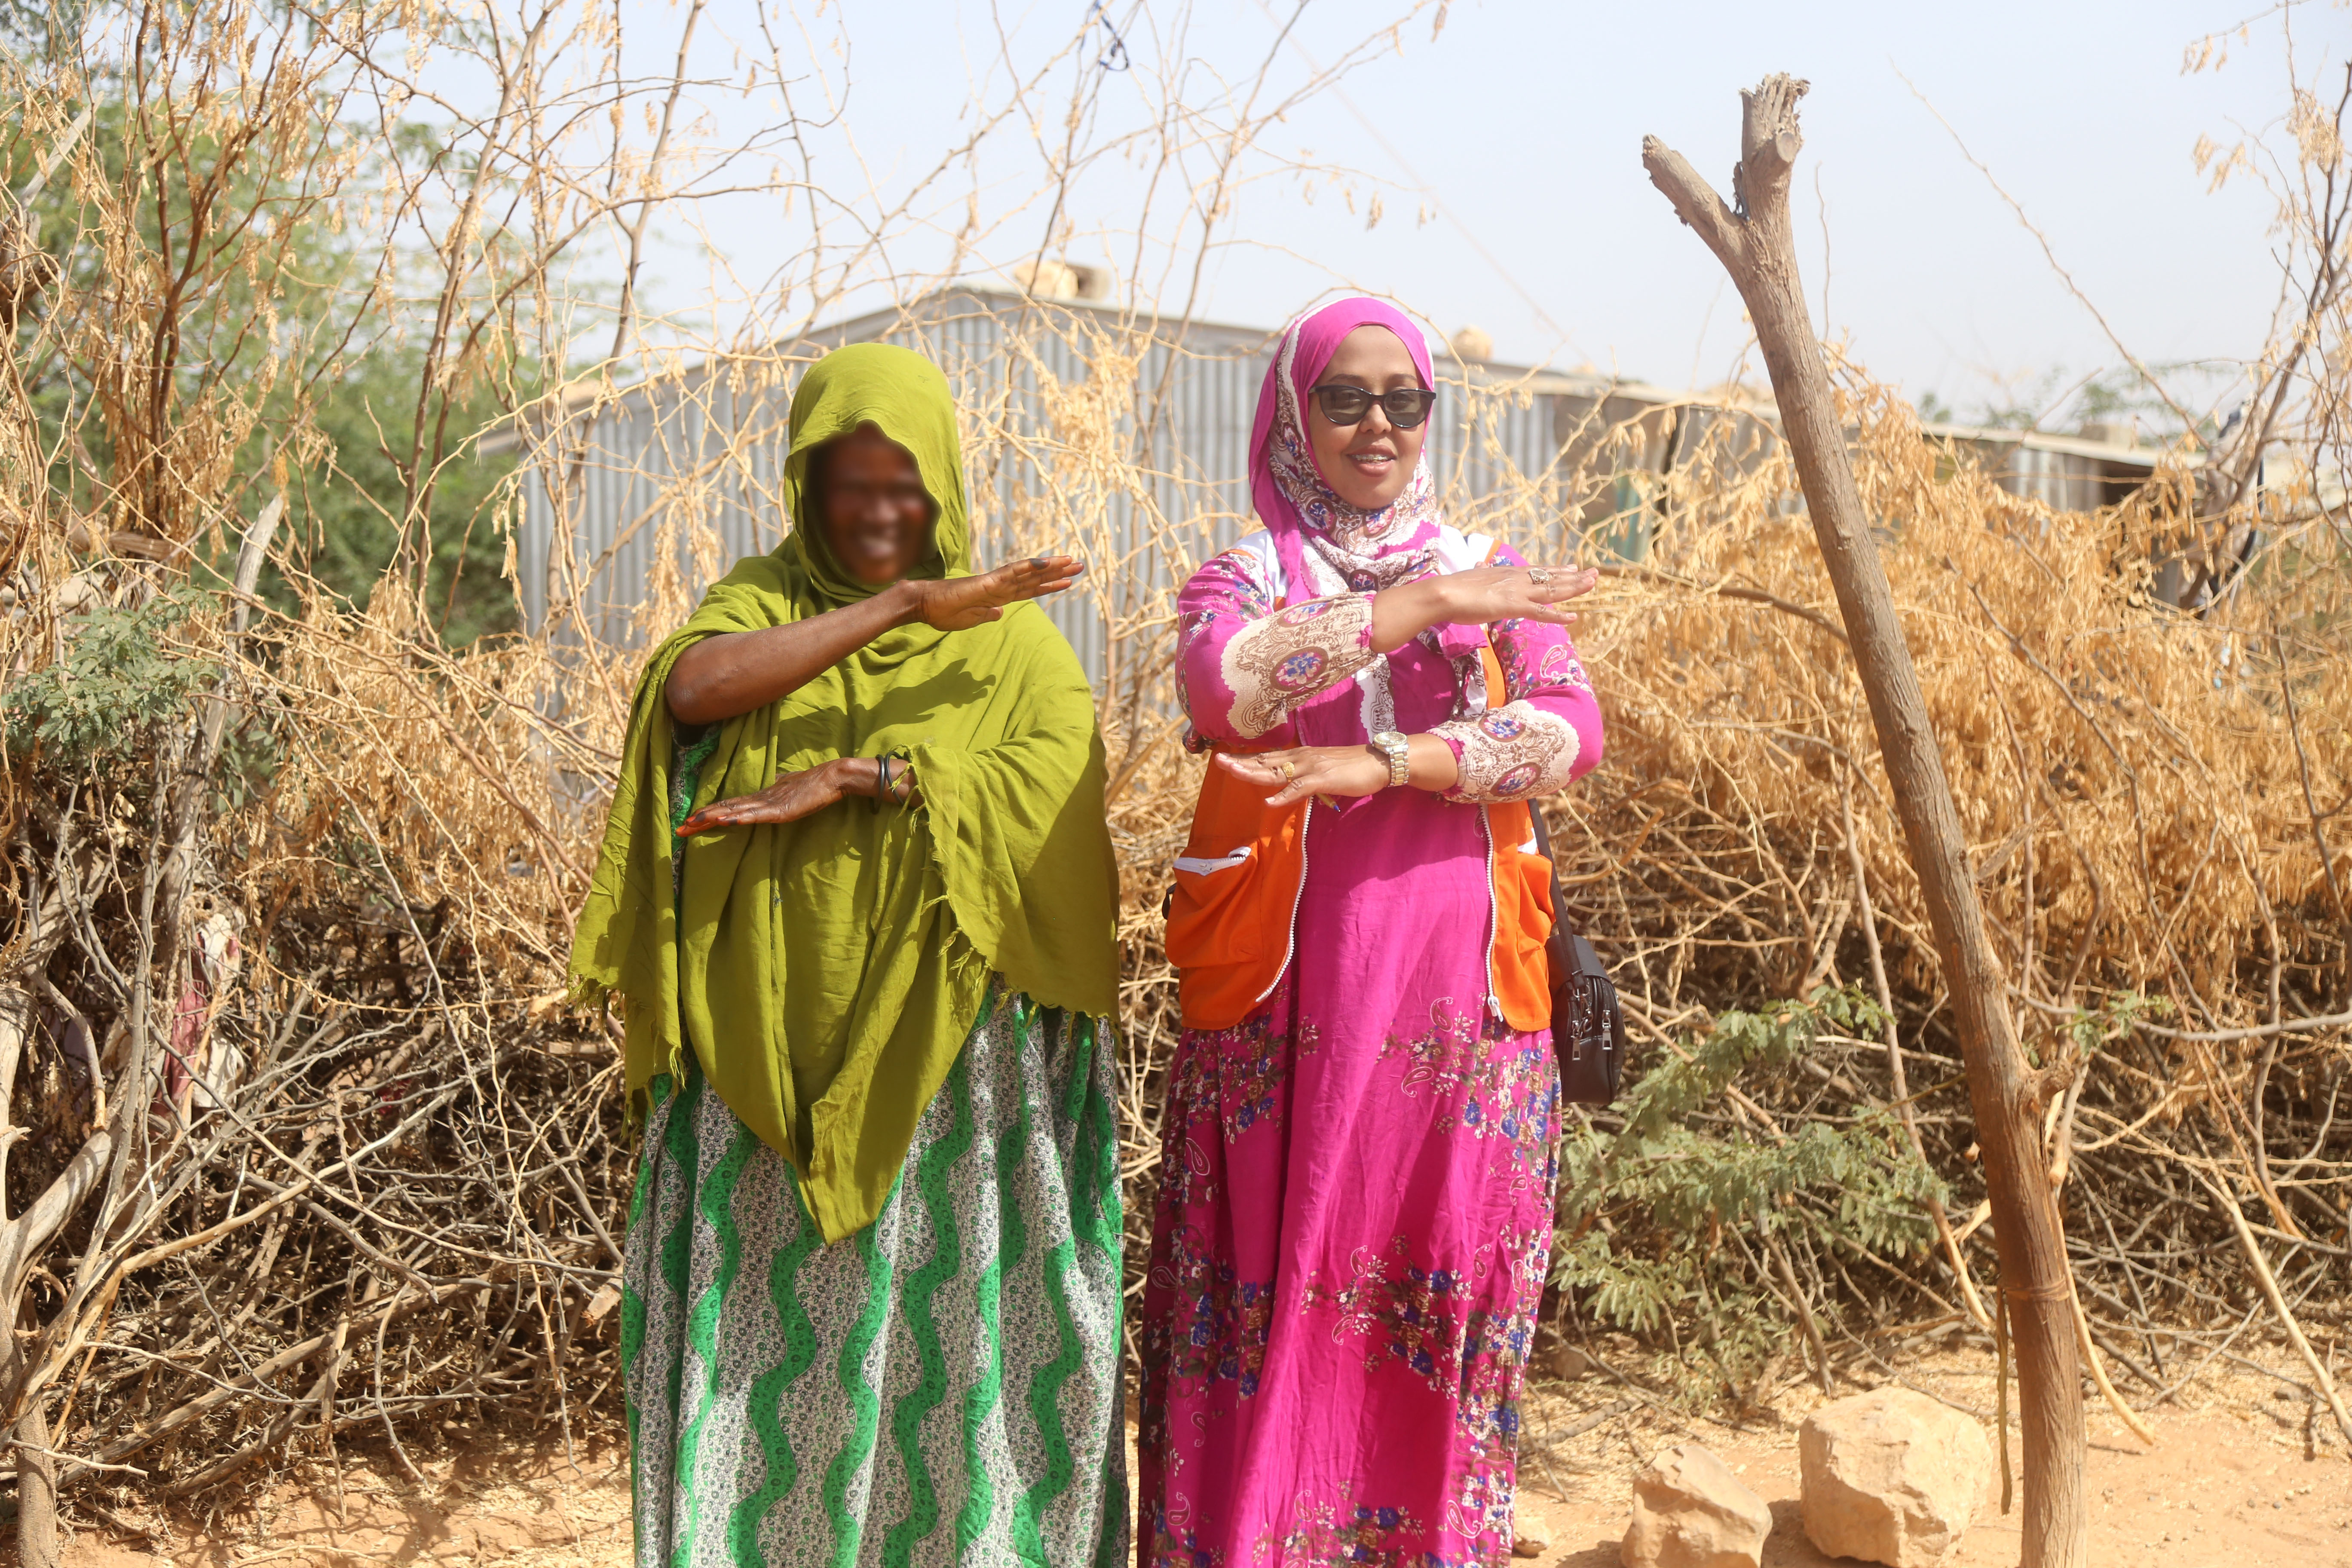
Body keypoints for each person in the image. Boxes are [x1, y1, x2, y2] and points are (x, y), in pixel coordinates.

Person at [570, 342, 1128, 1568]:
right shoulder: (765, 602)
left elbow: (1051, 797)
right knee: (766, 1345)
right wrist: (898, 607)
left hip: (949, 1067)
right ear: (805, 485)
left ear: (944, 490)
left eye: (906, 486)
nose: (880, 512)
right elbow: (692, 692)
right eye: (850, 484)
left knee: (953, 1349)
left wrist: (866, 777)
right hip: (763, 1056)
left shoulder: (1016, 648)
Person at [1136, 297, 1604, 1568]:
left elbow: (1569, 731)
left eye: (1405, 399)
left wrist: (1391, 760)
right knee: (1277, 1302)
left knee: (1431, 1291)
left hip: (1464, 1007)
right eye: (1345, 398)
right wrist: (1422, 602)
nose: (1379, 425)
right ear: (1295, 413)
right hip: (1291, 1013)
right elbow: (1227, 686)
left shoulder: (1493, 570)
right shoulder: (1248, 577)